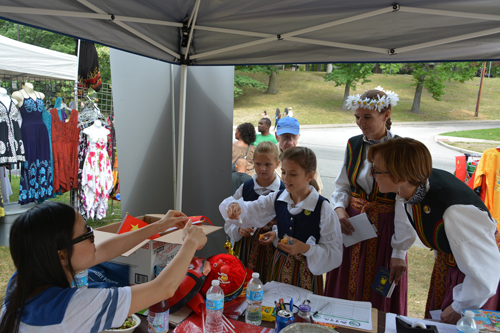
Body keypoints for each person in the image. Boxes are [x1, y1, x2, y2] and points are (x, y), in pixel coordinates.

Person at [0, 201, 207, 333]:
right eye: (86, 234)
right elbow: (163, 289)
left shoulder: (22, 280)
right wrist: (190, 243)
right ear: (61, 255)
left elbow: (103, 251)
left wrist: (158, 226)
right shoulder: (71, 309)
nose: (94, 238)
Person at [368, 137, 500, 324]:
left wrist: (459, 306)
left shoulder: (454, 210)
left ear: (399, 177)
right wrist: (399, 251)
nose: (372, 174)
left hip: (477, 276)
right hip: (455, 266)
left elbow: (486, 270)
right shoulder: (412, 188)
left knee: (452, 322)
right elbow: (407, 214)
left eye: (376, 170)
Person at [324, 88, 415, 316]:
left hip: (385, 230)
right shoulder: (353, 144)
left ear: (386, 115)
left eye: (367, 117)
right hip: (353, 225)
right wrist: (339, 209)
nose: (360, 123)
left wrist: (398, 252)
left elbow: (405, 202)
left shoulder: (400, 149)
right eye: (357, 116)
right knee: (346, 285)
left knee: (379, 289)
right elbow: (343, 184)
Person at [220, 146, 342, 294]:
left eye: (293, 174)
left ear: (309, 176)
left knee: (301, 313)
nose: (286, 178)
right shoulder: (278, 197)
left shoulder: (322, 207)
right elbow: (254, 208)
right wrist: (236, 207)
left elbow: (334, 252)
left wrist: (305, 248)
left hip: (305, 275)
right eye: (284, 172)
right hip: (279, 267)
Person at [224, 141, 285, 282]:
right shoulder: (246, 188)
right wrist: (239, 229)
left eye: (267, 164)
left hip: (271, 250)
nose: (262, 168)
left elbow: (287, 221)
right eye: (258, 164)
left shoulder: (282, 191)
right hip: (246, 247)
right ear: (253, 163)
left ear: (277, 164)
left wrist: (276, 233)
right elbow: (231, 216)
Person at [274, 117, 324, 194]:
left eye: (294, 137)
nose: (290, 142)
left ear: (298, 136)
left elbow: (317, 189)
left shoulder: (307, 157)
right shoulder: (268, 154)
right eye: (286, 136)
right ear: (277, 136)